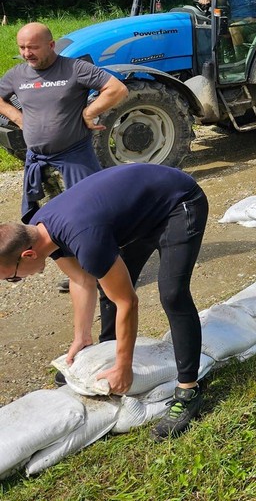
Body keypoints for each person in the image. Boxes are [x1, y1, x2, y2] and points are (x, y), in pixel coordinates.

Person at [0, 163, 209, 440]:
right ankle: (104, 356)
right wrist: (81, 337)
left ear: (28, 255)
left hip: (178, 202)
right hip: (143, 211)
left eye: (12, 278)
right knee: (106, 284)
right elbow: (81, 280)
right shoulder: (41, 231)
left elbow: (128, 303)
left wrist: (125, 367)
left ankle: (188, 391)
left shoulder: (84, 239)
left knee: (172, 294)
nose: (17, 280)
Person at [0, 23, 128, 218]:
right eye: (22, 47)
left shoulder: (75, 68)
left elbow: (117, 89)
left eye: (33, 47)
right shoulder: (17, 75)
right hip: (37, 161)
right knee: (44, 218)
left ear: (51, 45)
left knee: (89, 214)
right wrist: (18, 118)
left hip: (74, 160)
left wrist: (89, 112)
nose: (27, 53)